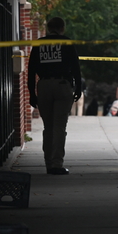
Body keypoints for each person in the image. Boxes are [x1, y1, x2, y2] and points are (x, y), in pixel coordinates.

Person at [28, 17, 82, 175]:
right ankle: (57, 164)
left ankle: (48, 163)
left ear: (48, 29)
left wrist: (32, 92)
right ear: (62, 28)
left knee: (48, 127)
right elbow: (75, 67)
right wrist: (78, 87)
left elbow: (31, 70)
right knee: (59, 127)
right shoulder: (67, 42)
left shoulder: (39, 44)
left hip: (43, 85)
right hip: (62, 85)